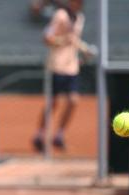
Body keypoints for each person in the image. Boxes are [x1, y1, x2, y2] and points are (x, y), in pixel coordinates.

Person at [32, 0, 95, 152]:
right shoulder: (60, 15)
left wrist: (84, 50)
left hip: (72, 67)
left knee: (73, 100)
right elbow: (47, 37)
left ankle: (59, 134)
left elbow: (74, 40)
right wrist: (63, 40)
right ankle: (39, 135)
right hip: (56, 65)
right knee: (52, 102)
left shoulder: (79, 17)